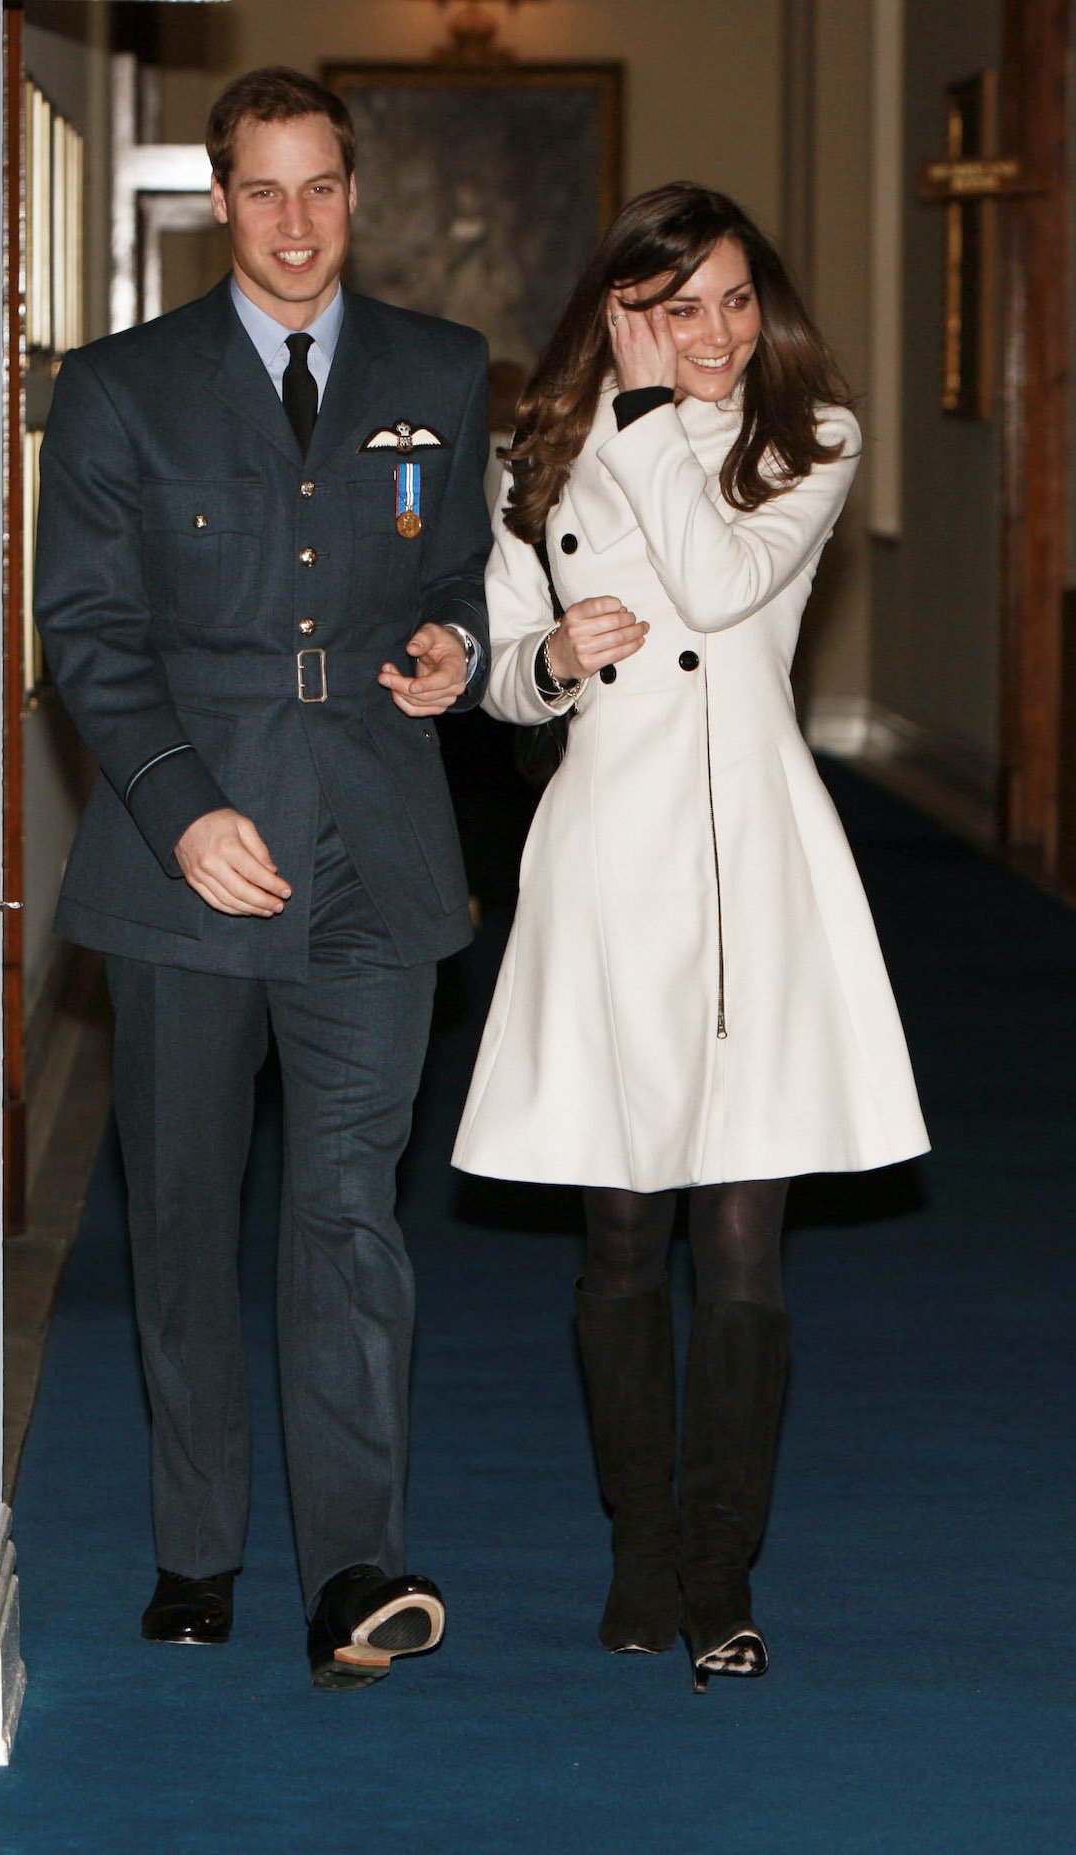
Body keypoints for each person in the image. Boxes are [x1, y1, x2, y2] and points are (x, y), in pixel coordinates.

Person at [35, 67, 491, 1692]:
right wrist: (175, 807)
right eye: (266, 192)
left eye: (323, 189)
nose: (297, 225)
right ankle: (196, 1546)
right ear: (219, 203)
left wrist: (456, 645)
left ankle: (356, 1565)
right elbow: (84, 632)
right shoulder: (120, 388)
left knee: (347, 1211)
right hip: (189, 861)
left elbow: (452, 573)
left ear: (350, 194)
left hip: (376, 841)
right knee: (179, 1207)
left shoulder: (440, 370)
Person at [452, 183, 929, 1693]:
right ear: (618, 309)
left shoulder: (812, 442)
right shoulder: (533, 454)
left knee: (739, 1245)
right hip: (606, 860)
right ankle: (638, 1553)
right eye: (676, 306)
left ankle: (720, 1570)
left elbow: (720, 590)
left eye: (733, 299)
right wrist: (542, 653)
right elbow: (504, 679)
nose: (714, 331)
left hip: (749, 873)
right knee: (616, 1234)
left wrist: (652, 409)